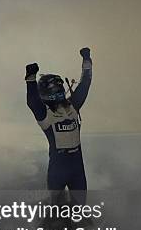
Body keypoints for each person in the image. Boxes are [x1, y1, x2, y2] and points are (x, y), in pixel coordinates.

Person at [25, 47, 92, 202]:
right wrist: (30, 79)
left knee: (79, 208)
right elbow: (32, 102)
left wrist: (87, 60)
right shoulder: (46, 114)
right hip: (59, 169)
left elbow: (85, 84)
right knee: (55, 211)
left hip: (75, 168)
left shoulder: (72, 106)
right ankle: (45, 223)